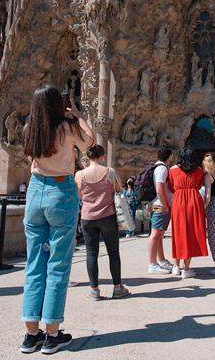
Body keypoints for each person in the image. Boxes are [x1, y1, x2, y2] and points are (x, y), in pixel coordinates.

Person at [20, 85, 95, 354]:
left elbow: (29, 155)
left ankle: (31, 334)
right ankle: (52, 334)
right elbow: (90, 141)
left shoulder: (30, 128)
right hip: (60, 190)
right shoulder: (65, 127)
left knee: (34, 264)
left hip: (35, 191)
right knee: (58, 264)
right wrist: (77, 114)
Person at [76, 144, 130, 301]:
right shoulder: (110, 172)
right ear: (102, 156)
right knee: (113, 253)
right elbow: (119, 190)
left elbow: (79, 195)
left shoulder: (79, 174)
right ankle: (118, 288)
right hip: (107, 216)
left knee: (91, 253)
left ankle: (94, 290)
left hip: (88, 217)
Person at [168, 147, 208, 278]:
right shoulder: (199, 171)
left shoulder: (172, 170)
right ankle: (186, 268)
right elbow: (200, 185)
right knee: (191, 234)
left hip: (178, 201)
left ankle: (176, 266)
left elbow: (171, 187)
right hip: (194, 201)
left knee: (178, 232)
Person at [148, 146, 175, 274]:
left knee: (159, 234)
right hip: (160, 205)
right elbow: (159, 189)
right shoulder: (162, 169)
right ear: (169, 156)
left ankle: (161, 260)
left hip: (158, 204)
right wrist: (165, 205)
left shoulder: (157, 167)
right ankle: (152, 264)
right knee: (155, 234)